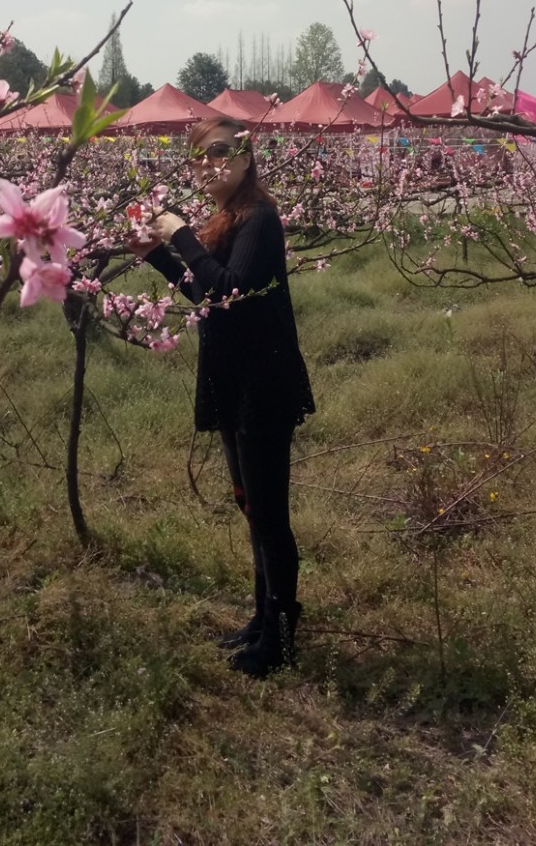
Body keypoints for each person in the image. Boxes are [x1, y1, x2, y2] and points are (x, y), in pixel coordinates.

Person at [131, 117, 315, 677]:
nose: (208, 165)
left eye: (219, 153)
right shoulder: (228, 219)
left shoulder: (260, 218)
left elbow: (228, 290)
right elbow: (203, 292)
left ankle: (281, 638)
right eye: (198, 158)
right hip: (235, 382)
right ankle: (262, 621)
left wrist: (180, 233)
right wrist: (155, 254)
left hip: (264, 385)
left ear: (245, 157)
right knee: (251, 507)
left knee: (269, 517)